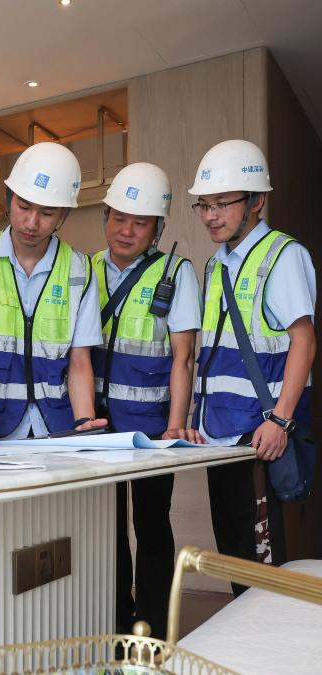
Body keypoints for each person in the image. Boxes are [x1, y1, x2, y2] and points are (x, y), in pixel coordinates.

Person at [188, 139, 316, 579]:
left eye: (222, 203)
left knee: (264, 569)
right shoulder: (216, 265)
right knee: (234, 559)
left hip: (260, 435)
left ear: (257, 201)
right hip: (219, 437)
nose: (211, 215)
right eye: (204, 205)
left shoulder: (283, 256)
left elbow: (304, 341)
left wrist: (280, 420)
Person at [92, 163, 203, 637]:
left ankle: (152, 625)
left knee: (152, 523)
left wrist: (176, 424)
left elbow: (183, 357)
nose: (126, 230)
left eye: (140, 222)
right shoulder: (86, 268)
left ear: (158, 227)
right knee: (107, 526)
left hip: (153, 427)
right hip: (98, 427)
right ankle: (118, 620)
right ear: (106, 217)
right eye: (119, 218)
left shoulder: (176, 272)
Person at [0, 141, 106, 440]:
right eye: (23, 207)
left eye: (47, 213)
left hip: (57, 425)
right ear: (9, 199)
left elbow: (79, 359)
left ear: (63, 215)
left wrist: (84, 421)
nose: (32, 223)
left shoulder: (80, 269)